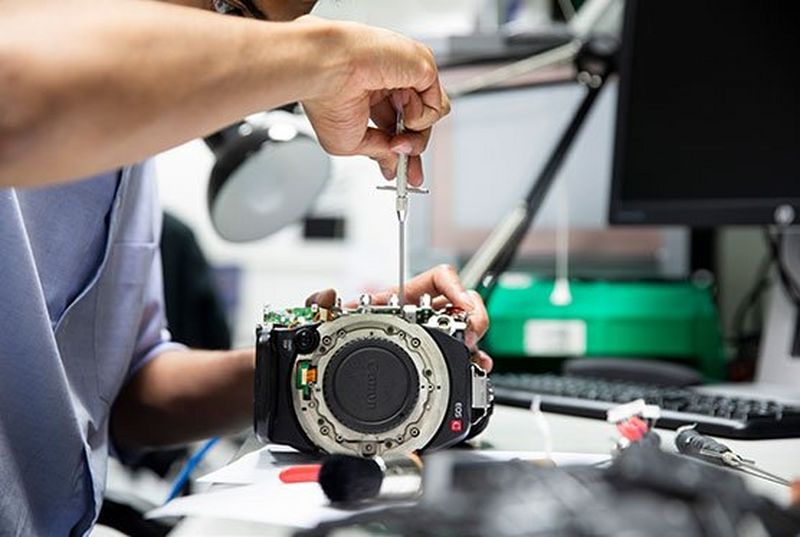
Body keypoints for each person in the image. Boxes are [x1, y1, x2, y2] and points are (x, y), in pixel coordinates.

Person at [0, 1, 492, 535]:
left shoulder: (129, 158)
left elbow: (121, 397)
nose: (240, 49)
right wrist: (328, 59)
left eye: (267, 32)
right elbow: (15, 95)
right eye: (231, 9)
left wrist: (328, 357)